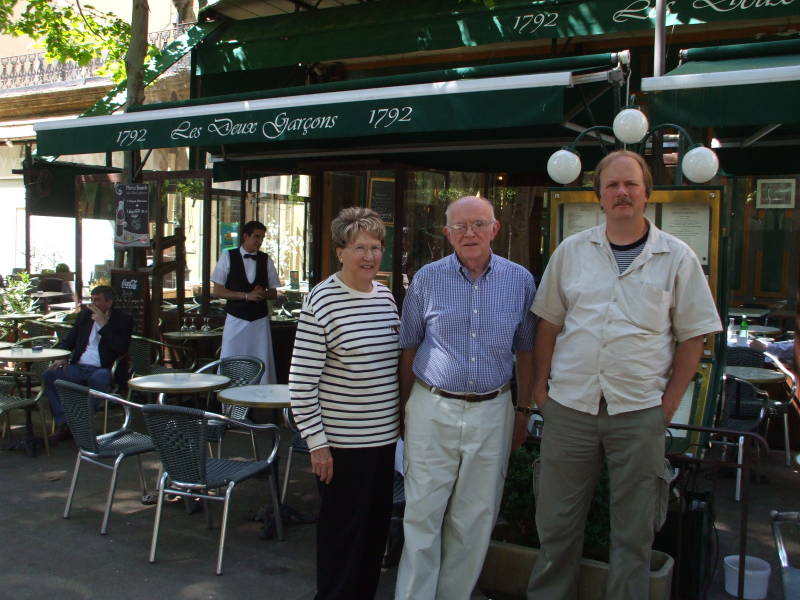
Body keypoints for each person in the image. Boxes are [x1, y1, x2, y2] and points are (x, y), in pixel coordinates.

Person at [526, 150, 722, 600]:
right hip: (570, 408)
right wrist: (540, 389)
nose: (621, 193)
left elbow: (693, 339)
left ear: (647, 194)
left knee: (634, 537)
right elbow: (549, 323)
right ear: (598, 196)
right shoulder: (572, 252)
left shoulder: (677, 257)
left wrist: (665, 408)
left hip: (638, 413)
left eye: (630, 184)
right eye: (612, 185)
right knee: (556, 528)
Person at [395, 196, 537, 600]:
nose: (469, 233)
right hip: (431, 405)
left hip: (494, 409)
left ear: (495, 229)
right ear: (447, 234)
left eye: (478, 224)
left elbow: (527, 351)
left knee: (474, 518)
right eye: (460, 226)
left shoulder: (520, 281)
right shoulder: (426, 279)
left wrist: (523, 410)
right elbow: (409, 347)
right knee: (422, 513)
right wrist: (405, 409)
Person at [289, 207, 400, 600]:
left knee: (372, 535)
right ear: (340, 251)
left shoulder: (385, 296)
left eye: (375, 247)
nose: (369, 256)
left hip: (384, 442)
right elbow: (301, 384)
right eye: (359, 248)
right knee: (341, 538)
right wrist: (317, 444)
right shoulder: (322, 301)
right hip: (341, 447)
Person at [43, 285, 133, 441]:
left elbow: (121, 349)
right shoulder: (85, 316)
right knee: (50, 374)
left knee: (100, 379)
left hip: (103, 368)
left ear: (109, 302)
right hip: (79, 366)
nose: (93, 304)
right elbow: (68, 340)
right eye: (92, 299)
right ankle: (64, 422)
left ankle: (81, 422)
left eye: (97, 300)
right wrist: (62, 356)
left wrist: (105, 326)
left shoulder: (122, 319)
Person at [211, 220, 279, 383]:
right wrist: (246, 296)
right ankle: (228, 396)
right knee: (232, 358)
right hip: (236, 319)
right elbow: (217, 291)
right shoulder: (228, 256)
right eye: (256, 236)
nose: (259, 241)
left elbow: (274, 293)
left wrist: (263, 293)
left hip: (259, 321)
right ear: (245, 236)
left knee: (261, 359)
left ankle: (262, 398)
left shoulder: (265, 260)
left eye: (262, 238)